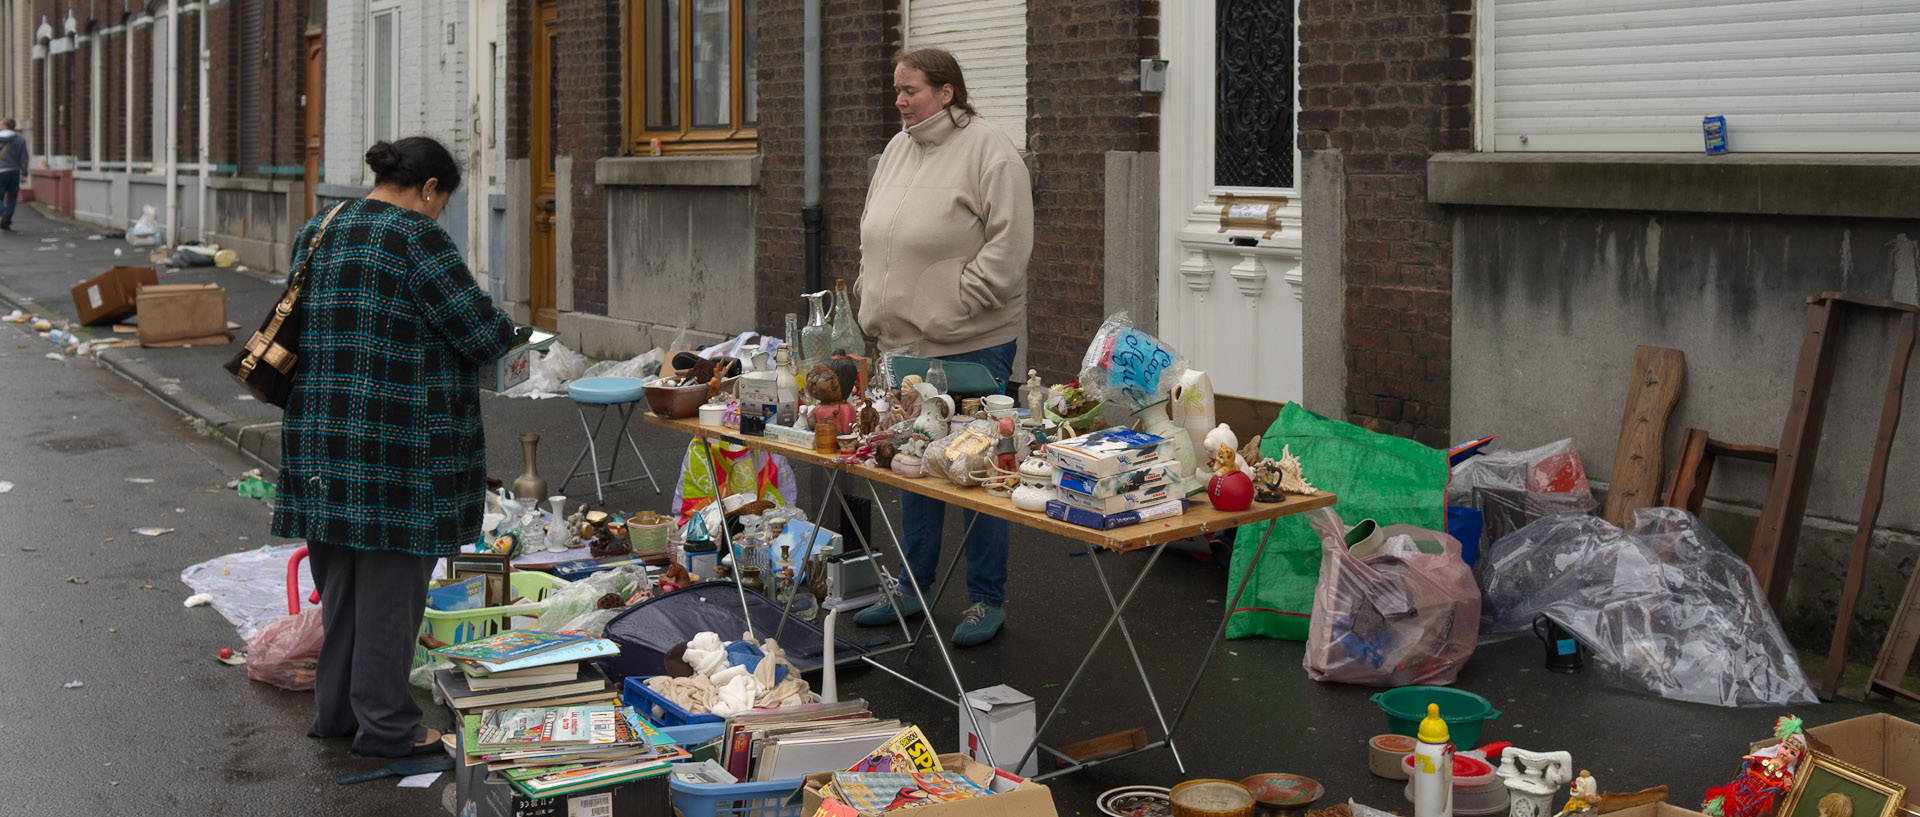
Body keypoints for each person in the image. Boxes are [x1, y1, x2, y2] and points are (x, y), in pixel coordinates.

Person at [272, 136, 520, 758]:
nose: (441, 213)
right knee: (390, 595)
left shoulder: (320, 227)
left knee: (344, 592)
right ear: (429, 189)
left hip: (320, 437)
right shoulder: (416, 235)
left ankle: (339, 715)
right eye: (443, 201)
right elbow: (480, 332)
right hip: (396, 443)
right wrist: (515, 332)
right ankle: (387, 728)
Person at [850, 48, 1034, 646]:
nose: (900, 101)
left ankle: (986, 600)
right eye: (897, 90)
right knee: (912, 466)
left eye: (911, 91)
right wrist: (865, 288)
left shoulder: (990, 151)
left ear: (947, 91)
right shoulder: (898, 150)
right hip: (902, 343)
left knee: (975, 471)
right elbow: (873, 232)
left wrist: (957, 300)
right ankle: (911, 586)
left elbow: (1009, 248)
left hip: (970, 342)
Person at [0, 118, 29, 231]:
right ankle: (7, 221)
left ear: (5, 126)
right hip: (14, 172)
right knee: (12, 197)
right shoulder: (20, 140)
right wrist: (24, 173)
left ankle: (4, 212)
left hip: (1, 171)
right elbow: (24, 157)